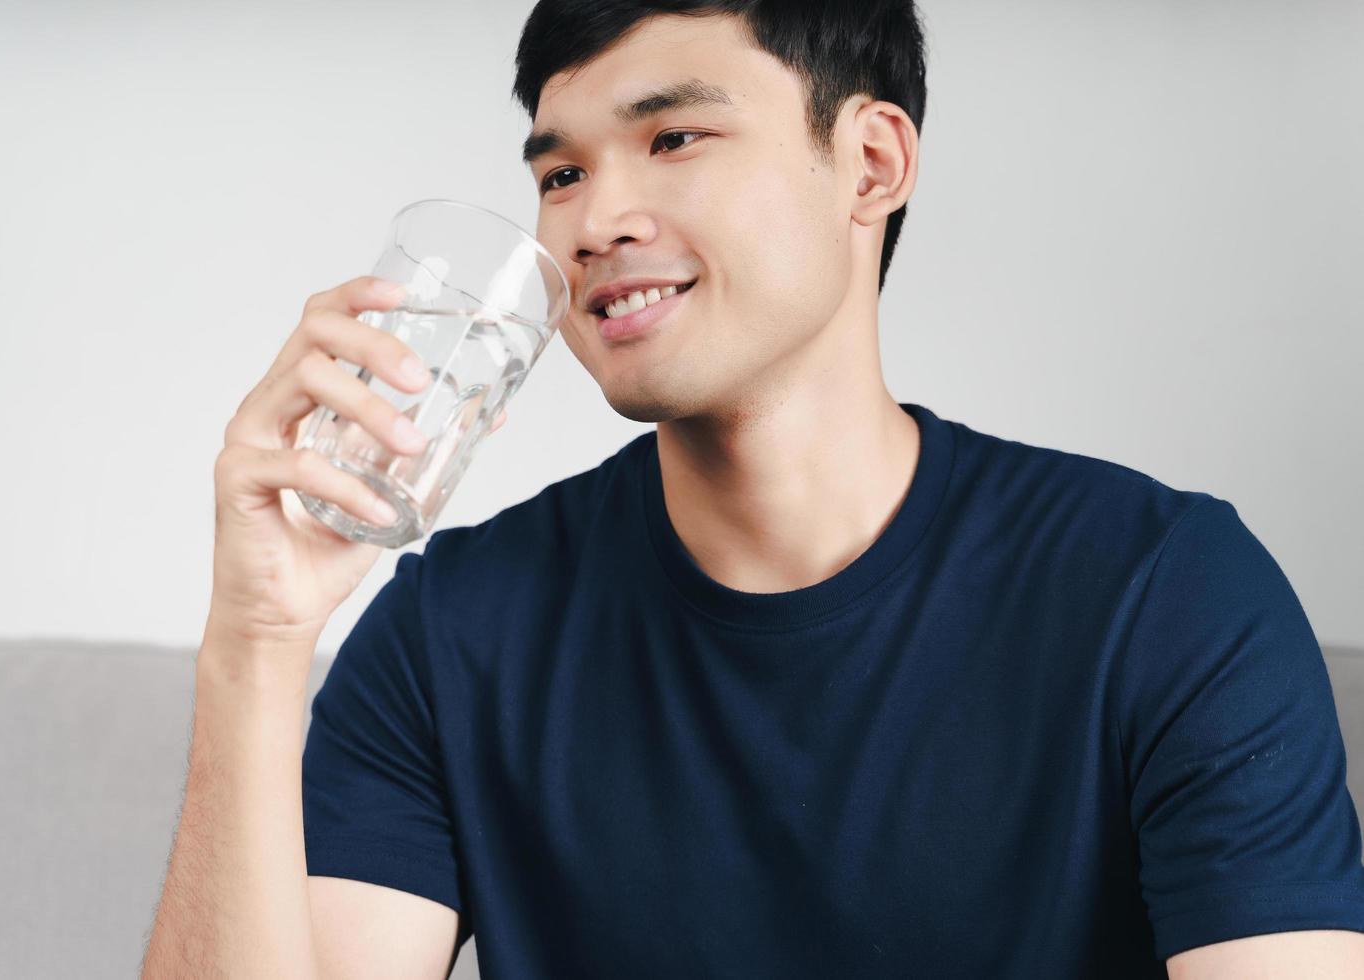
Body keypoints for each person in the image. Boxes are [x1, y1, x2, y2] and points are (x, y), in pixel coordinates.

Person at [143, 2, 1364, 977]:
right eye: (559, 173)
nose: (594, 220)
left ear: (871, 162)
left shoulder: (1166, 592)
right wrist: (257, 638)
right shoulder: (451, 630)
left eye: (674, 138)